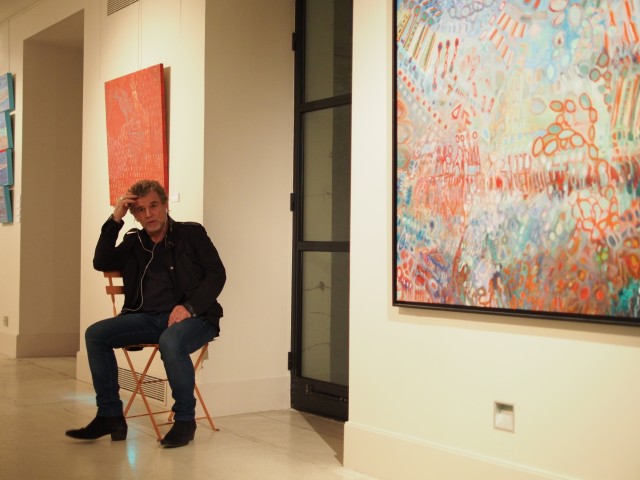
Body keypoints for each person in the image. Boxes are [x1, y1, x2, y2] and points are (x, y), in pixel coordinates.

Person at [65, 179, 226, 448]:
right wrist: (115, 218)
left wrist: (189, 307)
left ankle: (185, 421)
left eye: (153, 206)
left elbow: (217, 274)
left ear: (165, 205)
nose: (148, 214)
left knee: (171, 340)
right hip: (147, 319)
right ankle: (110, 416)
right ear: (135, 215)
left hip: (196, 318)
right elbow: (101, 262)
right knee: (95, 334)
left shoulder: (191, 234)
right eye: (140, 210)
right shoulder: (134, 241)